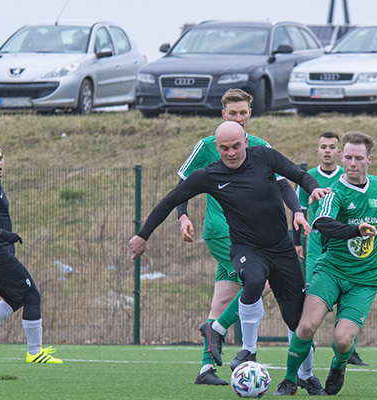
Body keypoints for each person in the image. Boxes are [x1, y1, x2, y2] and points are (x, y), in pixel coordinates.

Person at [129, 122, 329, 379]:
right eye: (224, 148)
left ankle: (305, 377)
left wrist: (311, 191)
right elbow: (170, 200)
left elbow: (298, 176)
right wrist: (143, 235)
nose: (231, 153)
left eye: (236, 146)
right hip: (246, 247)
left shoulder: (265, 157)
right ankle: (247, 350)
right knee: (255, 279)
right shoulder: (209, 175)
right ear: (217, 147)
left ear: (246, 141)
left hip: (281, 248)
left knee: (295, 319)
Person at [174, 88, 306, 385]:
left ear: (250, 114)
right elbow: (183, 183)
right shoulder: (210, 145)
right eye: (232, 113)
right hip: (223, 233)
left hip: (251, 235)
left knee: (222, 299)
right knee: (264, 282)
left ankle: (206, 368)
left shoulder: (260, 147)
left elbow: (284, 183)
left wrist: (296, 210)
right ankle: (221, 333)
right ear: (223, 115)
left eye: (243, 113)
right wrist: (183, 216)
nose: (238, 118)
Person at [274, 131, 377, 396]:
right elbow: (321, 223)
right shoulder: (333, 192)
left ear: (369, 159)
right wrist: (355, 230)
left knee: (343, 339)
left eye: (358, 158)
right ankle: (291, 379)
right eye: (347, 157)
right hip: (332, 270)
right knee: (306, 325)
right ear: (341, 157)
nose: (352, 163)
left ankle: (338, 365)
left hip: (365, 277)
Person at [0, 144, 62, 364]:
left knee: (14, 298)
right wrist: (4, 234)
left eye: (1, 158)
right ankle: (34, 352)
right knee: (31, 295)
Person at [290, 132, 368, 395]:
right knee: (308, 319)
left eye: (332, 147)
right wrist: (297, 241)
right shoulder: (311, 180)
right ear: (318, 151)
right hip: (319, 253)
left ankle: (344, 353)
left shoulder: (372, 185)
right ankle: (299, 375)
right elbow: (300, 212)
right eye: (323, 147)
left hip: (356, 264)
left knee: (342, 334)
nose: (327, 151)